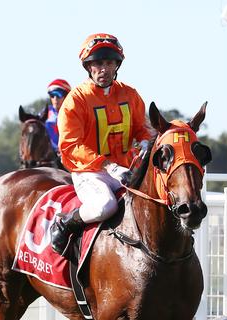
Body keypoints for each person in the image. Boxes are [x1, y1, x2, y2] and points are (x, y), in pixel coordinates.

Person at [51, 33, 152, 255]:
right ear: (88, 67)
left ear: (117, 65)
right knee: (107, 206)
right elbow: (70, 145)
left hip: (125, 171)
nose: (103, 69)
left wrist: (145, 140)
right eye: (97, 63)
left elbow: (141, 128)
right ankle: (66, 222)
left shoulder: (130, 95)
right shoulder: (76, 100)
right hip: (90, 172)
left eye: (109, 62)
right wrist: (108, 166)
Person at [43, 78, 71, 153]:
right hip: (49, 156)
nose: (55, 99)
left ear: (66, 96)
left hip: (69, 154)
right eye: (52, 95)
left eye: (58, 94)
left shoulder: (73, 113)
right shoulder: (45, 112)